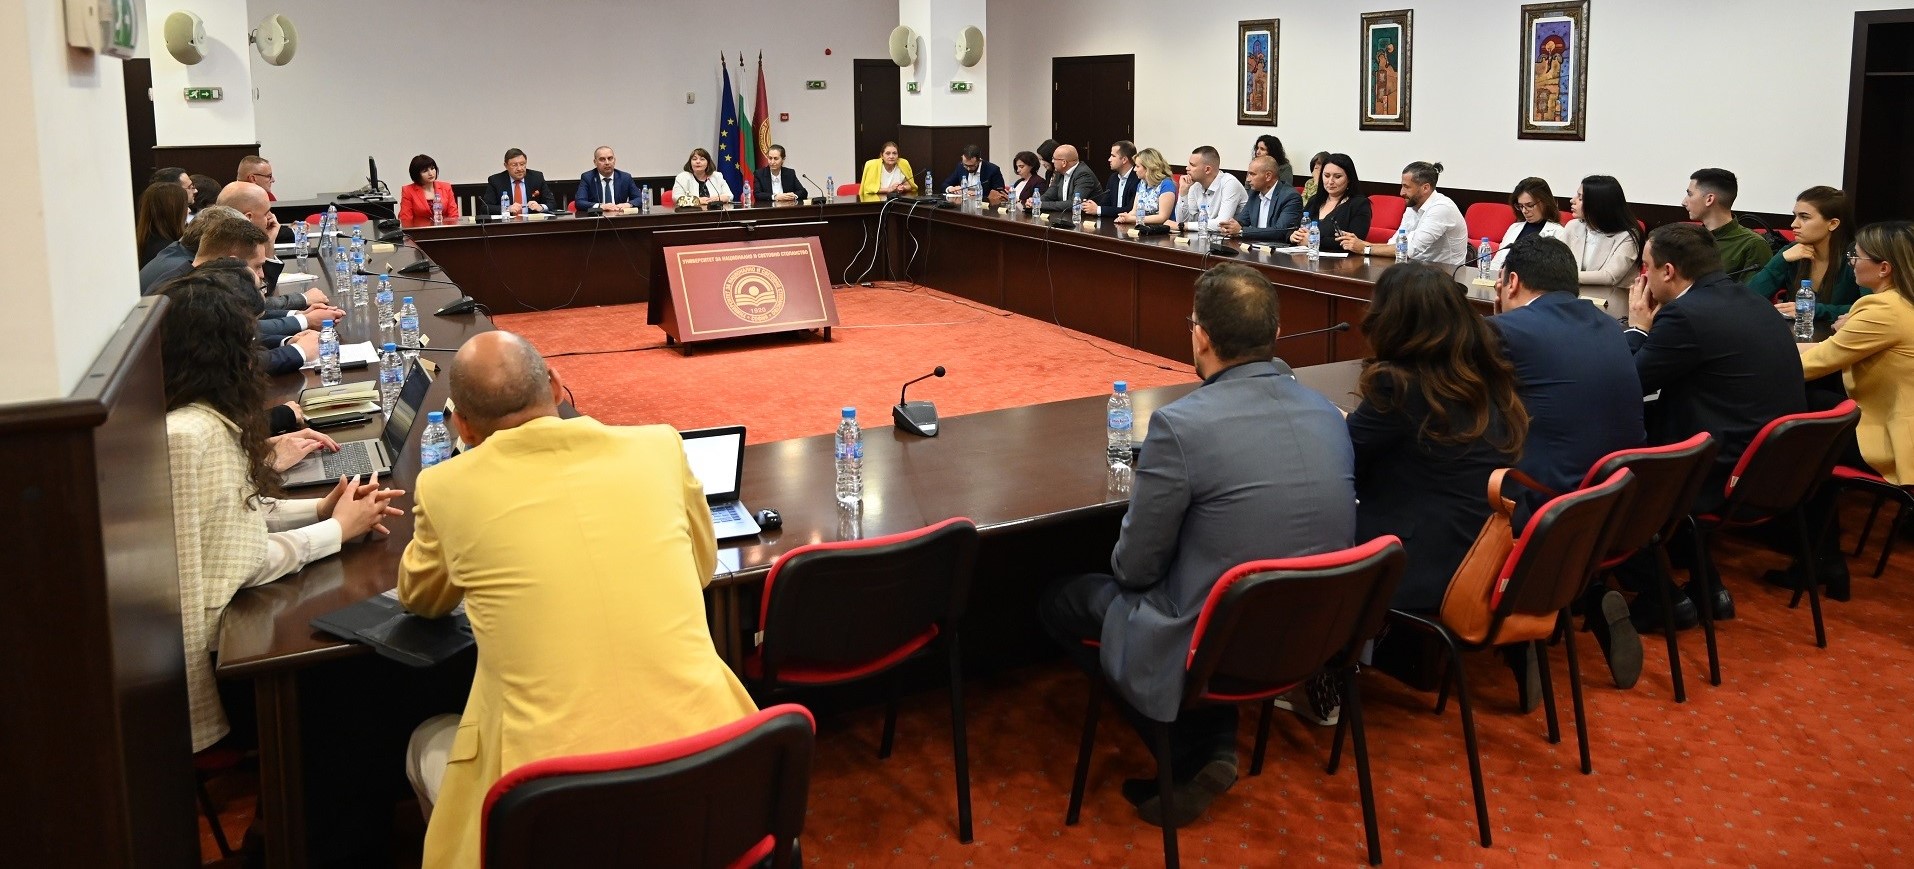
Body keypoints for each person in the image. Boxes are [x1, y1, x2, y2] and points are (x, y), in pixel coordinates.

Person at [399, 331, 758, 867]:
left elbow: (421, 598)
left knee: (426, 740)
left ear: (463, 428)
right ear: (557, 385)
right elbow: (701, 568)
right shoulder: (659, 446)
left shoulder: (445, 487)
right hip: (711, 767)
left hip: (548, 804)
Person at [1038, 263, 1356, 828]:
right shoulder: (1329, 414)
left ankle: (1191, 747)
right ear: (1275, 332)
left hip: (1219, 644)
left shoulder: (1180, 426)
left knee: (1060, 599)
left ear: (1201, 336)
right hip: (1314, 638)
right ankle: (1210, 736)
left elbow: (1134, 569)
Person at [159, 268, 402, 753]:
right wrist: (336, 531)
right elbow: (245, 561)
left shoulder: (195, 417)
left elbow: (231, 516)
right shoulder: (193, 435)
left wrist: (320, 510)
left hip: (225, 631)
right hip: (224, 656)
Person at [1623, 222, 1805, 627]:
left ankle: (1660, 596)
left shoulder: (1686, 314)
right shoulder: (1752, 299)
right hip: (1771, 465)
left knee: (1611, 464)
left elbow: (1629, 383)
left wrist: (1637, 329)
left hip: (1720, 470)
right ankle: (1709, 588)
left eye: (1646, 267)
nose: (1643, 277)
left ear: (1668, 271)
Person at [1491, 235, 1647, 687]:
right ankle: (1591, 596)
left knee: (1454, 472)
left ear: (1511, 281)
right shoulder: (1609, 326)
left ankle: (1518, 626)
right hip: (1611, 503)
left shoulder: (1507, 331)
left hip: (1544, 506)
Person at [1350, 263, 1529, 614]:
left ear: (1392, 321)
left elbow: (1343, 460)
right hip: (1484, 556)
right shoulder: (1484, 375)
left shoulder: (1398, 385)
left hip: (1423, 570)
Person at [1786, 221, 1914, 601]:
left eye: (1856, 256)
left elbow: (1812, 363)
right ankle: (1822, 558)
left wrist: (1754, 357)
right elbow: (1828, 353)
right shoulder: (1902, 303)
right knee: (1815, 414)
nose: (1851, 263)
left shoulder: (1882, 309)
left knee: (1803, 439)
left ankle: (1817, 559)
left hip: (1893, 441)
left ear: (1884, 268)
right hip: (1896, 423)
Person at [1750, 186, 1858, 324]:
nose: (1794, 224)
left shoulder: (1857, 257)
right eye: (1795, 216)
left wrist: (1810, 309)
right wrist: (1781, 260)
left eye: (1804, 217)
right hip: (1796, 333)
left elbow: (1872, 309)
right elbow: (1749, 298)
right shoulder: (1791, 252)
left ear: (1832, 224)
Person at [1337, 161, 1467, 267]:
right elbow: (1395, 242)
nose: (1401, 192)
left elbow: (1408, 249)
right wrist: (1361, 244)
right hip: (1417, 271)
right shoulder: (1413, 206)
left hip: (1445, 278)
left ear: (1425, 188)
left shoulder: (1442, 208)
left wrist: (1364, 248)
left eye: (1407, 187)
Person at [1683, 168, 1772, 279]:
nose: (1683, 202)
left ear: (1709, 199)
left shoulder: (1753, 245)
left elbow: (1753, 289)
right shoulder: (1689, 237)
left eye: (1690, 194)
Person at [1560, 175, 1643, 289]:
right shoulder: (1573, 226)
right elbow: (1557, 261)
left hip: (1612, 297)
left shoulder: (1627, 236)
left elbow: (1610, 276)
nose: (1572, 200)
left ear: (1598, 205)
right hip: (1574, 293)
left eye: (1580, 198)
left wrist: (1563, 276)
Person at [1289, 153, 1370, 246]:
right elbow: (1293, 227)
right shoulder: (1314, 200)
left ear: (1349, 179)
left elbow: (1354, 243)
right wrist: (1292, 236)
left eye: (1337, 177)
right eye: (1326, 176)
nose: (1330, 181)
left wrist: (1314, 240)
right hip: (1304, 253)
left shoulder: (1359, 204)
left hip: (1337, 255)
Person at [1219, 155, 1302, 241]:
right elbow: (1241, 221)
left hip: (1277, 247)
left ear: (1268, 176)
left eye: (1252, 174)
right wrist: (1229, 228)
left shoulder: (1290, 197)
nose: (1248, 179)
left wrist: (1241, 231)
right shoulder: (1254, 193)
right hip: (1254, 245)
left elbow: (1281, 232)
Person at [1489, 177, 1564, 270]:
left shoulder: (1559, 233)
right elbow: (1496, 263)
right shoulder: (1514, 228)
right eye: (1520, 206)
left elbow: (1553, 271)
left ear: (1545, 202)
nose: (1524, 211)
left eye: (1530, 205)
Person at [1169, 145, 1242, 233]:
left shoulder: (1230, 183)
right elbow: (1183, 222)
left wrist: (1182, 226)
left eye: (1192, 165)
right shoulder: (1194, 185)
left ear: (1207, 169)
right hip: (1206, 236)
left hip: (1238, 239)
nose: (1187, 168)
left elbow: (1222, 224)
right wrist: (1183, 192)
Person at [1114, 147, 1176, 227]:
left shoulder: (1166, 184)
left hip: (1162, 230)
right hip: (1143, 227)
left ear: (1148, 168)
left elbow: (1162, 217)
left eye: (1137, 166)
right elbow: (1134, 211)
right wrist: (1124, 217)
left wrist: (1132, 219)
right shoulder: (1142, 183)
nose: (1134, 169)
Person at [1037, 144, 1104, 214]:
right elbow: (1050, 195)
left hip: (1086, 218)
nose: (1052, 161)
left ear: (1064, 162)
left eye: (1054, 159)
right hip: (1065, 216)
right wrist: (1035, 201)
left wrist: (1040, 204)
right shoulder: (1059, 172)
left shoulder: (1084, 175)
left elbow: (1074, 204)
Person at [574, 146, 642, 214]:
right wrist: (601, 206)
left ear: (614, 160)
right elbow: (579, 202)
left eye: (610, 158)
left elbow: (640, 198)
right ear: (595, 162)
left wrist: (628, 204)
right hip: (597, 218)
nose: (607, 163)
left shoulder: (625, 177)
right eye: (602, 159)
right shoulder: (588, 178)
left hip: (619, 216)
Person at [136, 181, 190, 267]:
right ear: (173, 212)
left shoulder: (140, 243)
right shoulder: (172, 253)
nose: (189, 210)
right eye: (186, 206)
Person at [484, 148, 550, 216]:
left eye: (522, 164)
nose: (519, 168)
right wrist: (507, 209)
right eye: (514, 165)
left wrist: (541, 207)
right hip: (507, 221)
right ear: (506, 166)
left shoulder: (537, 177)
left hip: (532, 221)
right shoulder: (496, 180)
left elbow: (551, 203)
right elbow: (485, 207)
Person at [398, 154, 460, 227]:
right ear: (416, 174)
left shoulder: (446, 187)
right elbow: (406, 219)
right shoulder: (408, 191)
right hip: (419, 231)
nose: (430, 173)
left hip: (444, 230)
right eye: (425, 171)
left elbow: (453, 215)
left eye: (432, 168)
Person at [1081, 140, 1138, 217]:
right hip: (1112, 221)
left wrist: (1098, 209)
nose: (1109, 159)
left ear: (1124, 160)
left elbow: (1130, 210)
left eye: (1113, 156)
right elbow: (1105, 204)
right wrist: (1090, 205)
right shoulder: (1113, 178)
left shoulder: (1137, 178)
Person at [940, 144, 1005, 199]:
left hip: (984, 207)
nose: (968, 168)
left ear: (979, 161)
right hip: (964, 206)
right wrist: (950, 188)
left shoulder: (993, 170)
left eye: (971, 166)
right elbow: (945, 184)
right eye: (965, 165)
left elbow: (1000, 193)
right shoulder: (960, 166)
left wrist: (979, 194)